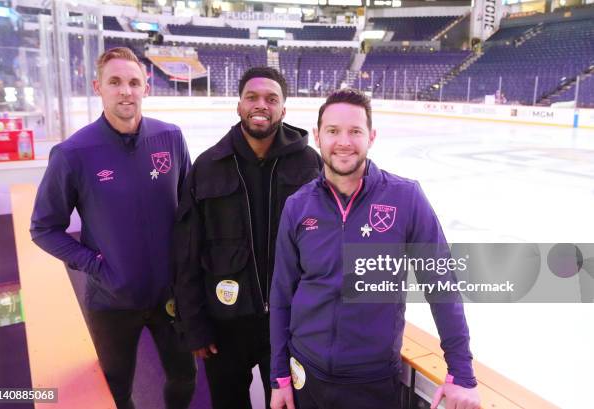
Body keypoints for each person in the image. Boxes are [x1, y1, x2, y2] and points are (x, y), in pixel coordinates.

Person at [269, 89, 481, 409]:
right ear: (317, 136)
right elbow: (282, 294)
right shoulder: (298, 206)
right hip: (306, 375)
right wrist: (279, 376)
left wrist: (462, 372)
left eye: (355, 131)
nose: (344, 141)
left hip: (373, 379)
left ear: (372, 137)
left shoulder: (405, 198)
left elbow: (441, 284)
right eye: (333, 131)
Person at [30, 47, 196, 409]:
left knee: (185, 377)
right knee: (116, 388)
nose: (126, 91)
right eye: (115, 82)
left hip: (171, 297)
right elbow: (44, 228)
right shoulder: (73, 153)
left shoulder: (170, 138)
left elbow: (189, 211)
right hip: (112, 301)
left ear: (146, 88)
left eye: (134, 82)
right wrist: (95, 265)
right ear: (98, 87)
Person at [173, 66, 322, 409]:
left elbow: (326, 247)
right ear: (238, 105)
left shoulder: (310, 164)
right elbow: (186, 252)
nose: (261, 105)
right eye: (252, 97)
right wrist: (193, 325)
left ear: (283, 110)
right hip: (224, 327)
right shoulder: (208, 165)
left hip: (290, 326)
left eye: (271, 99)